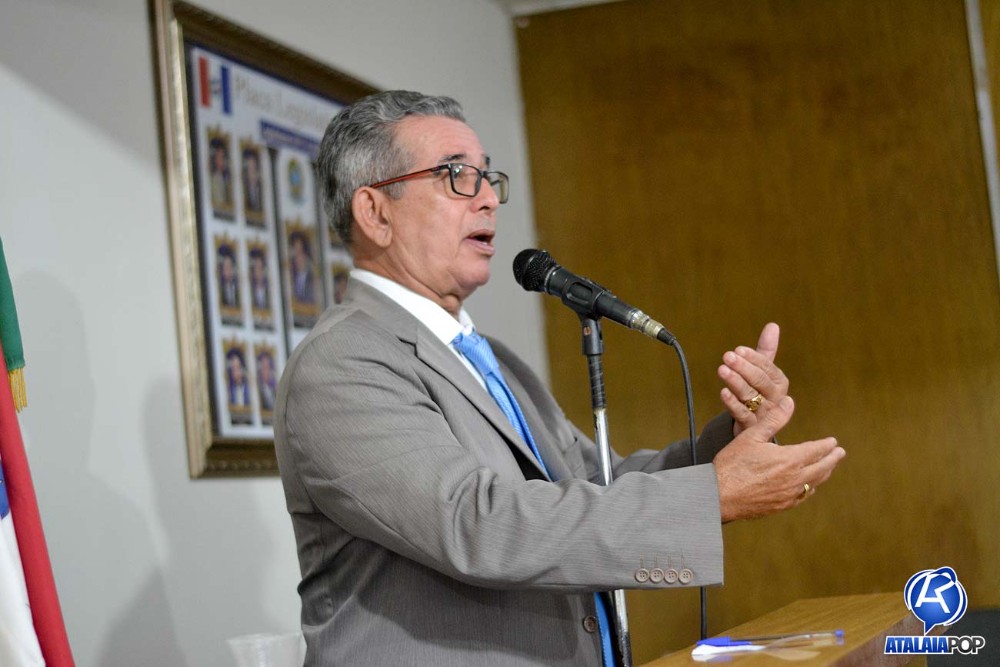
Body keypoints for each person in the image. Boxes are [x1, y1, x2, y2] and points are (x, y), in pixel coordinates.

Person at [273, 91, 845, 667]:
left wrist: (733, 441)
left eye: (487, 176)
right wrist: (712, 494)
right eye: (457, 176)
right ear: (375, 213)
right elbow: (477, 524)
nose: (488, 198)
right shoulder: (341, 362)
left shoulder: (491, 359)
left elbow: (600, 484)